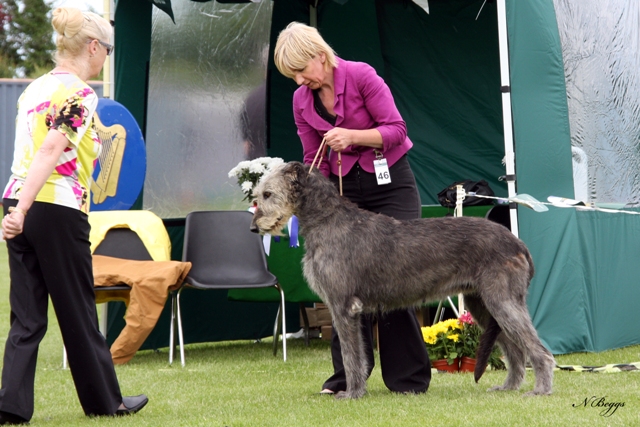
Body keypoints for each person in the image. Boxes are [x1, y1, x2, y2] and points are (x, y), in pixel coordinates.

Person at [0, 8, 147, 424]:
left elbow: (26, 153)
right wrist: (25, 209)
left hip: (15, 199)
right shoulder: (80, 94)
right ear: (93, 47)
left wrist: (16, 209)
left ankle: (11, 404)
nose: (106, 57)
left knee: (26, 316)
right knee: (78, 309)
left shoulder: (34, 89)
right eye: (108, 50)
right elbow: (51, 149)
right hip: (56, 208)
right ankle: (106, 402)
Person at [273, 22, 432, 395]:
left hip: (390, 184)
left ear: (320, 55)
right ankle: (346, 378)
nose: (299, 81)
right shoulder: (301, 100)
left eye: (301, 70)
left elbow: (396, 129)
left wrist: (353, 137)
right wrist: (315, 200)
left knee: (394, 279)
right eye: (292, 75)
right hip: (342, 192)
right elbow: (313, 158)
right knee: (341, 284)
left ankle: (408, 379)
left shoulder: (361, 76)